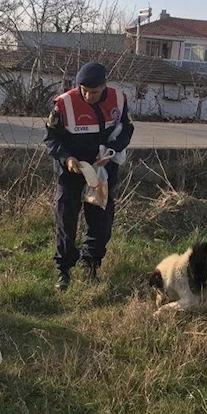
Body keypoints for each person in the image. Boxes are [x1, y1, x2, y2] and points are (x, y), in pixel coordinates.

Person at [43, 62, 135, 291]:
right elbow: (51, 139)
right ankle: (64, 271)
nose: (88, 95)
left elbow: (126, 130)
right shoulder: (63, 104)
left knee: (101, 221)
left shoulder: (119, 99)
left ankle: (91, 265)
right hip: (71, 171)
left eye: (94, 92)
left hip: (103, 170)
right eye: (84, 90)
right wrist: (67, 158)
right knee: (66, 220)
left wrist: (111, 151)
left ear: (104, 86)